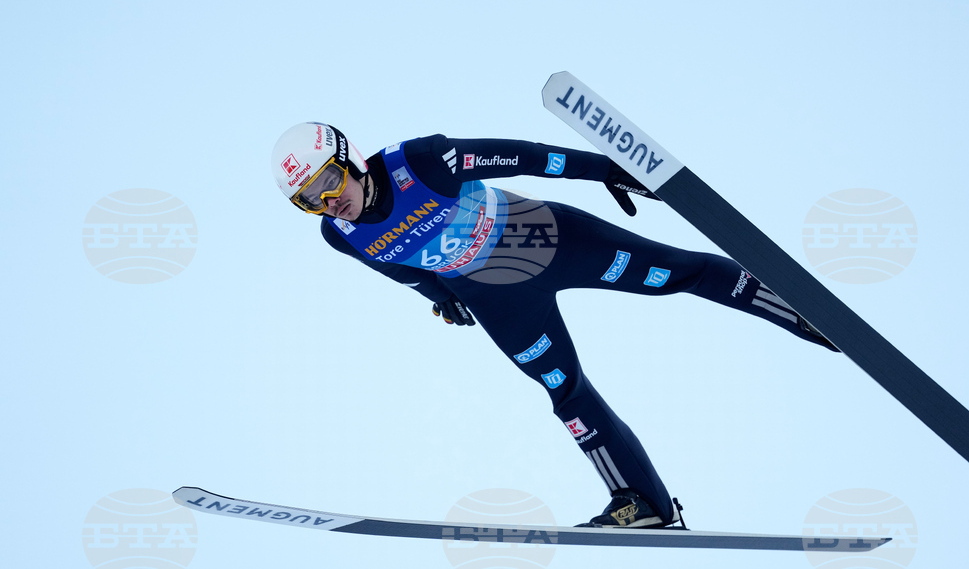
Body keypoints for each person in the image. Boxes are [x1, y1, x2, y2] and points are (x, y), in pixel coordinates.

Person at [271, 122, 839, 529]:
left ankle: (802, 312)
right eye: (309, 201)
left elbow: (525, 157)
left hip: (546, 240)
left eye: (329, 182)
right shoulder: (339, 235)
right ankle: (642, 502)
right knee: (564, 392)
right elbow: (398, 267)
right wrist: (441, 297)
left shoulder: (420, 162)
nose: (329, 202)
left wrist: (607, 171)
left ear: (351, 159)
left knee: (677, 274)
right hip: (497, 301)